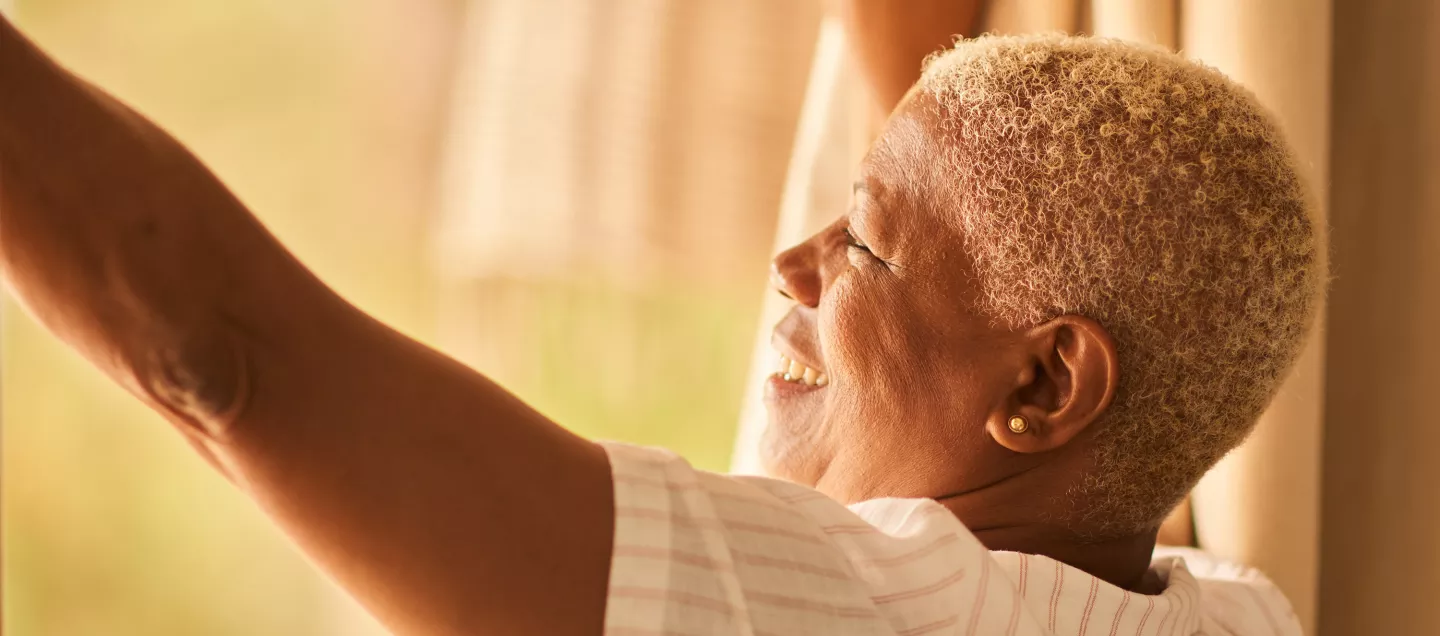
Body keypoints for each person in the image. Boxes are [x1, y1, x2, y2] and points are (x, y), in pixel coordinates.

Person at [0, 11, 1320, 636]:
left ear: (1042, 388)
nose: (795, 265)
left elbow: (223, 357)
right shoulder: (1225, 612)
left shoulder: (860, 612)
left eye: (857, 240)